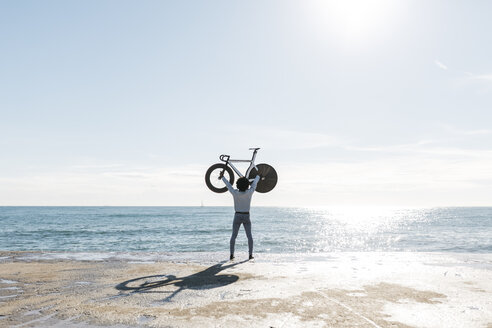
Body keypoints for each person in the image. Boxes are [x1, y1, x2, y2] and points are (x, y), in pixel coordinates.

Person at [221, 174, 260, 261]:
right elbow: (254, 184)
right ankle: (250, 255)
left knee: (234, 236)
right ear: (247, 185)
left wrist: (223, 177)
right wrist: (258, 176)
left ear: (238, 185)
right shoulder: (249, 192)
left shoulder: (235, 193)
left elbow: (228, 185)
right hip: (246, 215)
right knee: (249, 236)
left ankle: (231, 254)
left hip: (237, 215)